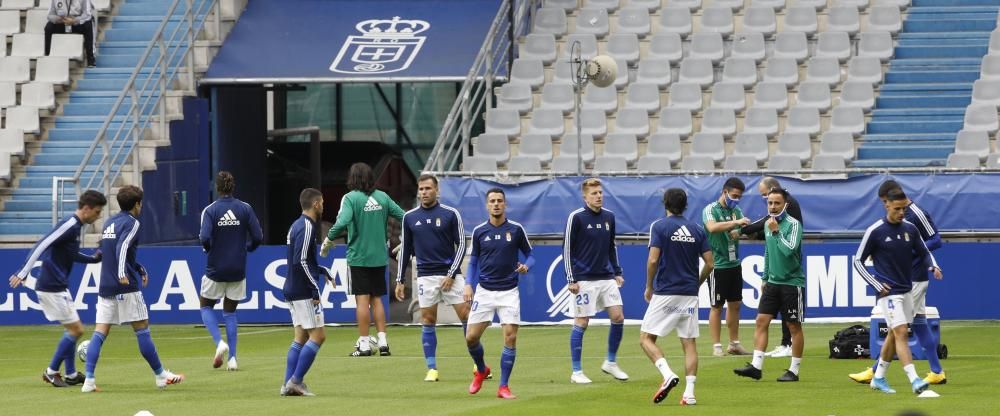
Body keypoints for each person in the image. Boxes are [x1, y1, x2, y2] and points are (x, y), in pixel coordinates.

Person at [82, 185, 184, 392]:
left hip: (105, 285)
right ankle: (160, 376)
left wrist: (138, 267)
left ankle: (89, 381)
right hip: (125, 286)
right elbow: (122, 247)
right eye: (141, 203)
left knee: (100, 332)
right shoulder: (133, 223)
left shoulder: (109, 222)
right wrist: (123, 273)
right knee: (142, 329)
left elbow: (108, 251)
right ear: (137, 204)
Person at [850, 180, 946, 385]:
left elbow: (936, 240)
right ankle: (936, 371)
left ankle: (877, 372)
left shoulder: (916, 214)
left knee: (898, 327)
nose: (889, 207)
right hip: (906, 276)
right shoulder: (893, 221)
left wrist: (904, 250)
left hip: (914, 277)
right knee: (917, 323)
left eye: (886, 201)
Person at [8, 190, 106, 388]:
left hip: (57, 284)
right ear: (86, 209)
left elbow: (70, 253)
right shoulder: (70, 224)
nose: (98, 216)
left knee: (71, 328)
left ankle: (70, 374)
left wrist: (92, 260)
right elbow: (42, 244)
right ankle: (52, 371)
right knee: (77, 329)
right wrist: (23, 271)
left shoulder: (75, 226)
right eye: (97, 212)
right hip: (51, 286)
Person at [321, 162, 405, 356]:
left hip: (358, 257)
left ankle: (365, 344)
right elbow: (404, 216)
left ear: (352, 178)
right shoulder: (383, 197)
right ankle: (383, 343)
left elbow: (342, 222)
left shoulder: (350, 198)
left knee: (362, 301)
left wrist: (328, 238)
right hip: (379, 257)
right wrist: (407, 238)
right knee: (377, 300)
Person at [640, 188, 713, 405]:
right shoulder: (697, 230)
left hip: (666, 292)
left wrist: (648, 286)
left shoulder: (660, 226)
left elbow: (653, 260)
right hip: (689, 294)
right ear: (685, 205)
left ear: (665, 204)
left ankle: (667, 374)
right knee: (689, 343)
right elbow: (710, 263)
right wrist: (696, 283)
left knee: (646, 339)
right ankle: (689, 394)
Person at [394, 174, 470, 382]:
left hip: (450, 275)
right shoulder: (409, 217)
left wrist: (452, 273)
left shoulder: (450, 214)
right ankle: (432, 368)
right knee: (428, 319)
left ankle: (478, 364)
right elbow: (406, 250)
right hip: (425, 277)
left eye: (428, 188)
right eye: (421, 189)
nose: (424, 192)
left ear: (437, 191)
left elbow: (461, 245)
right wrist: (400, 280)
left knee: (466, 315)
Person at [465, 188, 534, 399]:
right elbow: (473, 261)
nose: (496, 204)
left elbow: (531, 255)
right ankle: (481, 369)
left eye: (499, 201)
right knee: (471, 338)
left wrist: (526, 266)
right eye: (492, 201)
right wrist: (469, 283)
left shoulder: (515, 229)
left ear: (505, 205)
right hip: (484, 291)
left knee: (510, 337)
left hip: (509, 292)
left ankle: (503, 386)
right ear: (487, 205)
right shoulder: (479, 231)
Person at [733, 188, 806, 382]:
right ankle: (756, 366)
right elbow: (768, 252)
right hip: (773, 283)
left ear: (785, 205)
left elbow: (789, 251)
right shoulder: (767, 224)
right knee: (761, 321)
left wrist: (775, 232)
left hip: (792, 283)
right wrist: (765, 277)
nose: (773, 207)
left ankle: (794, 370)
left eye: (777, 203)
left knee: (793, 326)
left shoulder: (794, 225)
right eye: (770, 203)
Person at [563, 178, 629, 384]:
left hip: (606, 277)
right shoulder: (576, 217)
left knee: (618, 316)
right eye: (594, 193)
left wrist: (617, 271)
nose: (598, 196)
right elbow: (566, 249)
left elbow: (612, 247)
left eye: (600, 192)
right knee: (582, 322)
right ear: (585, 197)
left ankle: (610, 362)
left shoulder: (609, 217)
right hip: (584, 280)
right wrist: (571, 278)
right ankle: (576, 371)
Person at [197, 171, 263, 371]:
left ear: (217, 188)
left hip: (216, 266)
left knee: (206, 306)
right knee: (230, 312)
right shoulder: (245, 208)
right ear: (233, 187)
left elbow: (205, 237)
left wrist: (209, 249)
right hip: (237, 267)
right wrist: (247, 249)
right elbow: (258, 236)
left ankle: (219, 342)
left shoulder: (210, 210)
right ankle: (233, 359)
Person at [281, 188, 335, 397]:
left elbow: (305, 260)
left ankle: (287, 384)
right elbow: (301, 261)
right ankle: (296, 381)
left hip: (293, 288)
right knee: (318, 336)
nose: (323, 206)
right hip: (303, 290)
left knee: (300, 337)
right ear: (315, 204)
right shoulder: (306, 226)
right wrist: (314, 289)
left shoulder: (298, 225)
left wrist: (322, 271)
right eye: (321, 202)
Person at [702, 177, 752, 357]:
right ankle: (716, 346)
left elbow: (736, 232)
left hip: (734, 263)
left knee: (735, 304)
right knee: (717, 305)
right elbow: (712, 227)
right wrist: (736, 223)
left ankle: (734, 344)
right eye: (734, 196)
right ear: (725, 192)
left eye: (739, 197)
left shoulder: (736, 210)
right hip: (717, 265)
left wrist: (738, 232)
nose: (736, 200)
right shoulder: (710, 209)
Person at [44, 0, 96, 67]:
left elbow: (87, 15)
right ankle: (47, 55)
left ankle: (91, 59)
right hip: (62, 22)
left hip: (77, 23)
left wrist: (75, 20)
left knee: (88, 24)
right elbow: (49, 15)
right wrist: (58, 19)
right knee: (48, 27)